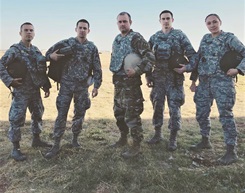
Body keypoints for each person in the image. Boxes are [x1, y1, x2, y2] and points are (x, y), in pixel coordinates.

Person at [186, 13, 245, 165]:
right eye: (209, 23)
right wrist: (193, 80)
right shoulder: (205, 39)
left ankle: (231, 151)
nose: (212, 25)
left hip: (222, 82)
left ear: (220, 22)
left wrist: (238, 70)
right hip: (204, 82)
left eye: (214, 22)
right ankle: (205, 140)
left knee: (225, 115)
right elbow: (199, 59)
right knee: (201, 113)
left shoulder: (229, 38)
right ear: (206, 25)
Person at [43, 19, 102, 159]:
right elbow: (47, 55)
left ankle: (75, 140)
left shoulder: (92, 48)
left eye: (85, 28)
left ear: (89, 30)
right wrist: (52, 56)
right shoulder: (67, 43)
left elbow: (97, 67)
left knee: (80, 114)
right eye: (80, 27)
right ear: (76, 29)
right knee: (61, 114)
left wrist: (97, 85)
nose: (82, 30)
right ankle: (56, 144)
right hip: (66, 85)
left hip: (82, 87)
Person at [0, 22, 52, 161]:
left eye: (31, 30)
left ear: (34, 33)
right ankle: (15, 149)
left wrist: (46, 86)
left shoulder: (36, 51)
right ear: (20, 33)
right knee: (17, 118)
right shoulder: (14, 50)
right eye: (26, 30)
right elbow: (1, 64)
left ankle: (36, 140)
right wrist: (9, 81)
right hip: (21, 91)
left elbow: (41, 70)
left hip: (35, 91)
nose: (28, 32)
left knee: (38, 115)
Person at [146, 10, 196, 151]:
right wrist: (148, 76)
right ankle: (157, 134)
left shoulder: (180, 36)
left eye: (168, 18)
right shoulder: (154, 37)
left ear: (172, 19)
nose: (166, 21)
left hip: (175, 79)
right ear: (159, 20)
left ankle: (173, 138)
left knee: (174, 108)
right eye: (163, 18)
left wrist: (186, 68)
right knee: (157, 107)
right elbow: (148, 58)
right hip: (158, 79)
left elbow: (192, 55)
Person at [109, 12, 155, 158]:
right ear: (117, 23)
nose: (122, 24)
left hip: (131, 83)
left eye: (125, 21)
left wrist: (137, 70)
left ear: (130, 22)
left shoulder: (136, 38)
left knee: (132, 114)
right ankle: (123, 138)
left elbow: (150, 57)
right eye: (120, 22)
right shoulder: (117, 39)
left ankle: (136, 146)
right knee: (119, 112)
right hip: (118, 82)